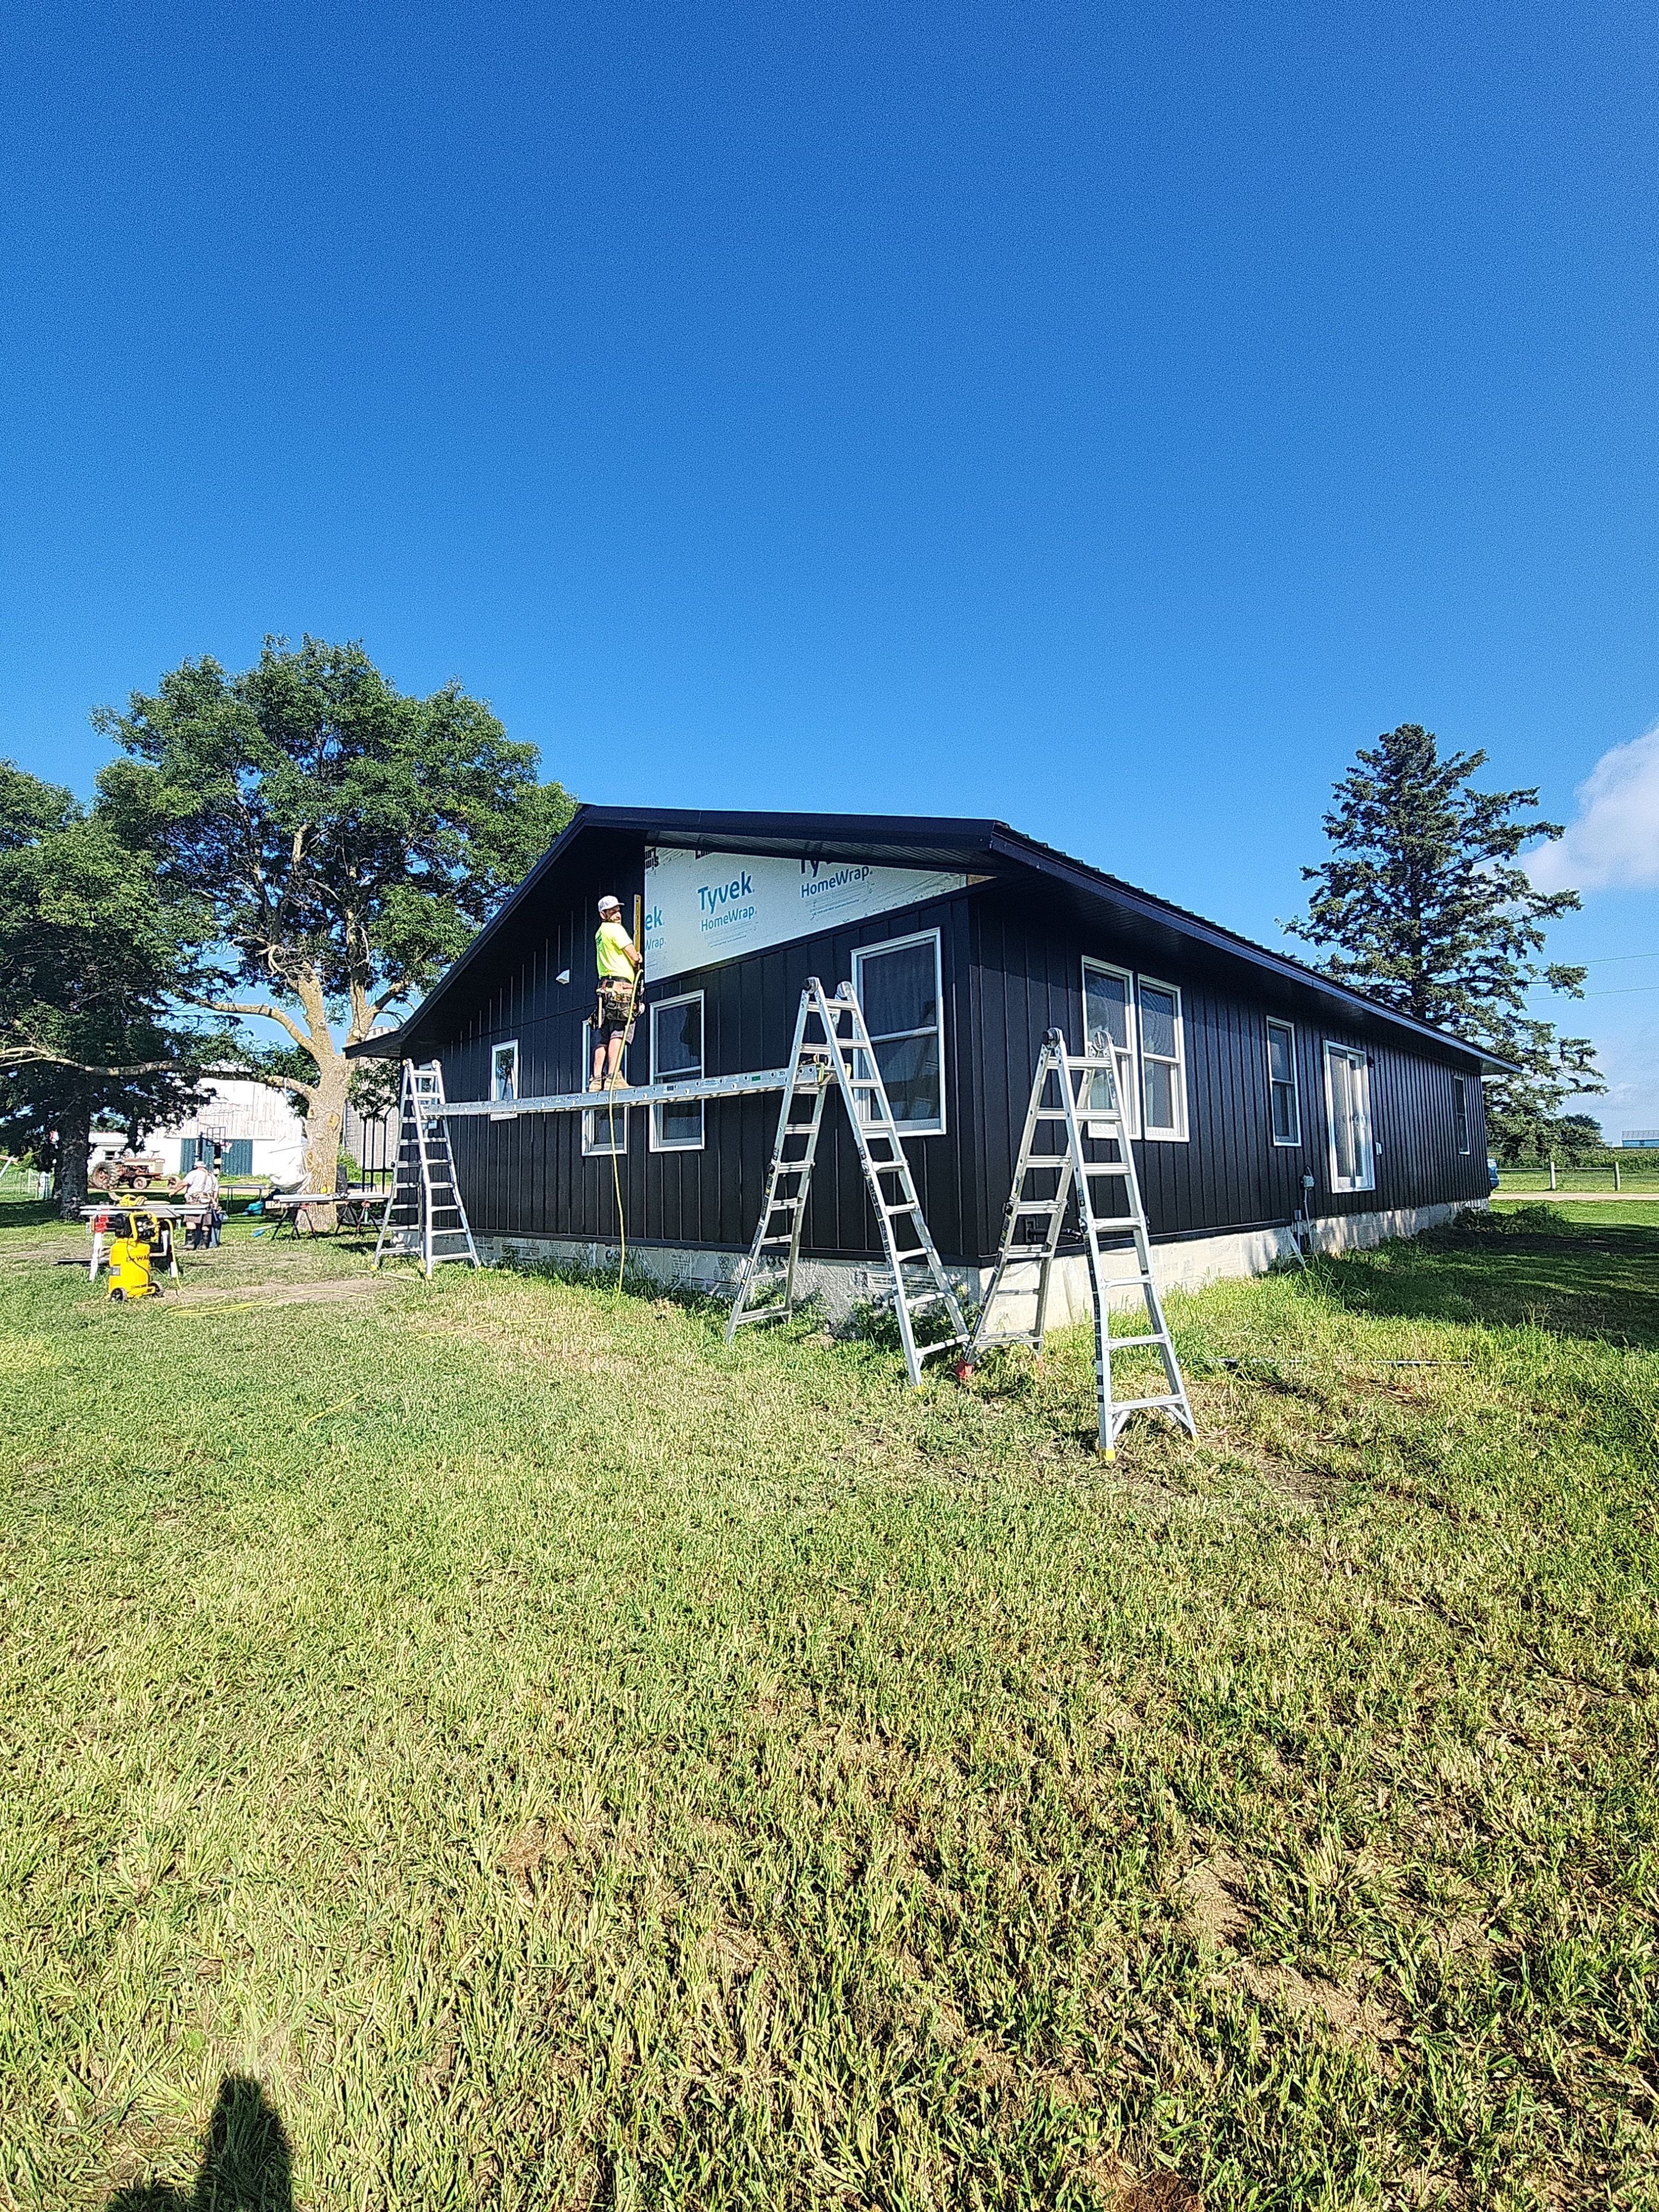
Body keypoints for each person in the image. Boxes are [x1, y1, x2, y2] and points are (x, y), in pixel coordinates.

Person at [590, 894, 642, 1089]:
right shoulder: (615, 930)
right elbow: (634, 957)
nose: (618, 915)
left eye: (618, 910)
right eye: (613, 912)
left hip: (605, 990)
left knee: (603, 1035)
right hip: (621, 990)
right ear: (603, 914)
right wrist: (638, 957)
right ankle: (613, 1077)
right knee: (618, 1032)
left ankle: (596, 1080)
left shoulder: (600, 934)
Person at [181, 1154, 220, 1250]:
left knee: (190, 1220)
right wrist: (214, 1202)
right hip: (208, 1202)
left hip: (194, 1202)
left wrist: (174, 1188)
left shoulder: (193, 1173)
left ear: (196, 1167)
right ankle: (204, 1244)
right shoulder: (212, 1176)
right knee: (206, 1223)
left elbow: (184, 1184)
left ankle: (190, 1243)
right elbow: (216, 1192)